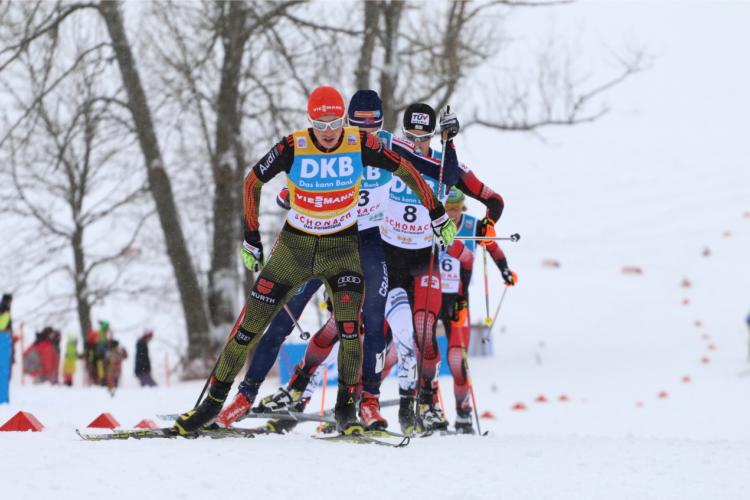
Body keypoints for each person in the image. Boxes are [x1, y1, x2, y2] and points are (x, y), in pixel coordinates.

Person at [174, 85, 456, 436]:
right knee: (280, 317)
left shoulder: (386, 145)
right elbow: (279, 183)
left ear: (383, 123)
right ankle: (245, 395)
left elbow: (441, 173)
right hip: (312, 239)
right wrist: (281, 202)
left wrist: (444, 191)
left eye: (372, 125)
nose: (363, 131)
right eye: (357, 124)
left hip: (364, 238)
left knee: (367, 318)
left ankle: (364, 399)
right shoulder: (325, 141)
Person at [380, 103, 505, 431]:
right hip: (388, 254)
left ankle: (429, 402)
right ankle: (358, 400)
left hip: (425, 257)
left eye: (425, 137)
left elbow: (494, 200)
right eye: (410, 135)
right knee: (373, 336)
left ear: (433, 135)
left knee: (425, 333)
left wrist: (486, 229)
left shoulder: (445, 166)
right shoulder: (390, 153)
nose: (417, 142)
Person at [437, 187, 516, 433]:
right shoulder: (432, 221)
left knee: (457, 359)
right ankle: (430, 410)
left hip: (459, 299)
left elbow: (492, 247)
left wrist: (504, 269)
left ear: (463, 208)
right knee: (425, 355)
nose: (450, 214)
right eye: (446, 209)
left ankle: (463, 414)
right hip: (430, 294)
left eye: (455, 209)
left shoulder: (473, 226)